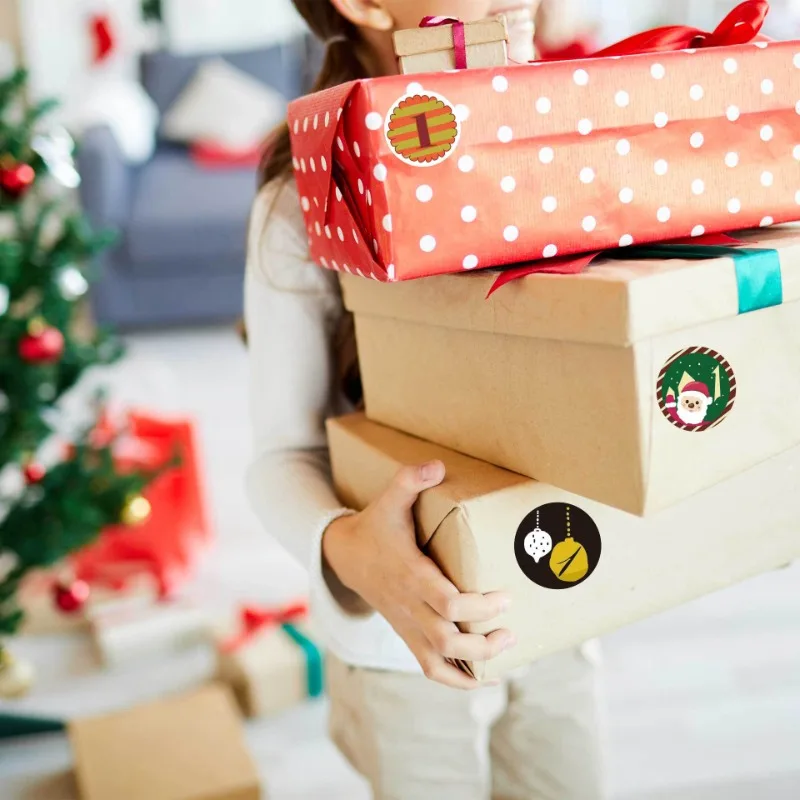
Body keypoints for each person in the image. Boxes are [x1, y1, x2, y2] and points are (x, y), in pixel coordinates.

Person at [245, 2, 605, 797]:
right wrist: (349, 551)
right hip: (395, 638)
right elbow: (278, 455)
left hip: (559, 588)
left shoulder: (567, 140)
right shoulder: (305, 197)